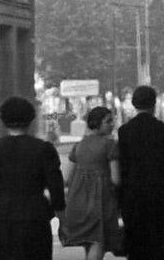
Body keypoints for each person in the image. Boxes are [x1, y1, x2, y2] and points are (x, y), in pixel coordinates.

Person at [0, 96, 66, 259]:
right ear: (31, 119)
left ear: (3, 120)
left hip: (1, 219)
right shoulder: (44, 150)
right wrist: (63, 222)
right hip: (35, 217)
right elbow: (56, 189)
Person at [117, 85, 164, 260]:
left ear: (133, 104)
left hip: (132, 195)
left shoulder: (124, 131)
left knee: (135, 243)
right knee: (158, 240)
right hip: (156, 194)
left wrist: (118, 200)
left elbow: (122, 168)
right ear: (154, 103)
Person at [59, 107, 123, 260]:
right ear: (97, 123)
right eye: (108, 121)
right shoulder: (110, 145)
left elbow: (67, 178)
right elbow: (116, 179)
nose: (112, 124)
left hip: (78, 199)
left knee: (89, 242)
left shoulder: (78, 146)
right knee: (98, 241)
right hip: (101, 200)